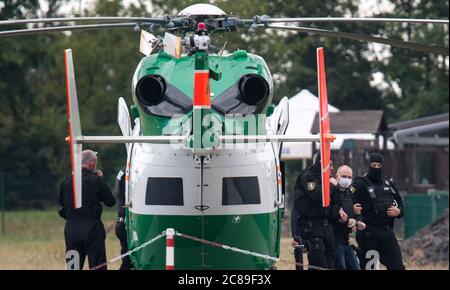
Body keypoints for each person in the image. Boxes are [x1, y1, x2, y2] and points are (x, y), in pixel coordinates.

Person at [58, 150, 116, 270]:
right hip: (92, 229)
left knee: (72, 266)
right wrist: (100, 180)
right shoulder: (96, 180)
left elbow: (61, 203)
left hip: (71, 229)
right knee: (97, 265)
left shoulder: (66, 180)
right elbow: (110, 202)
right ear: (92, 162)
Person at [292, 152, 347, 269]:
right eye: (330, 164)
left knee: (330, 263)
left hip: (328, 228)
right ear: (323, 163)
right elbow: (317, 196)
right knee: (318, 263)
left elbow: (336, 202)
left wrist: (339, 211)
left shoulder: (329, 179)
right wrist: (330, 186)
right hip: (312, 227)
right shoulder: (308, 176)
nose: (332, 168)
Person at [351, 153, 405, 270]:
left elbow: (400, 204)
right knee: (369, 268)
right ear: (369, 165)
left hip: (387, 232)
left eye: (378, 165)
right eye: (373, 165)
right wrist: (353, 210)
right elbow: (347, 200)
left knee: (397, 266)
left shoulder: (388, 183)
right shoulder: (360, 183)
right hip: (368, 234)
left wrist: (398, 211)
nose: (376, 168)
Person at [332, 165, 366, 270]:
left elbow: (356, 213)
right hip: (334, 240)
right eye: (344, 176)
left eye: (349, 177)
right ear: (337, 176)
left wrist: (358, 222)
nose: (346, 179)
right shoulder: (333, 192)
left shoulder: (349, 193)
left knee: (355, 266)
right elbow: (333, 212)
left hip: (346, 240)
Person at [114, 166, 133, 270]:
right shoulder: (128, 170)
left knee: (127, 259)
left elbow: (118, 193)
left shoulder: (122, 170)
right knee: (128, 261)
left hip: (121, 221)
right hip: (126, 224)